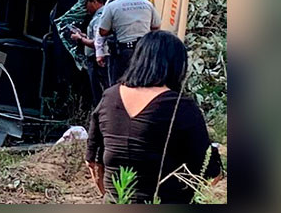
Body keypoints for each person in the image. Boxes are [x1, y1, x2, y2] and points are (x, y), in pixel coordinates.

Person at [86, 31, 222, 203]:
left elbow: (93, 163)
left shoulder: (108, 97)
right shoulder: (181, 106)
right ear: (177, 66)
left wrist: (112, 197)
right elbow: (209, 174)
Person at [99, 0, 161, 85]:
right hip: (144, 50)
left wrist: (116, 28)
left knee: (121, 84)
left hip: (124, 52)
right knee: (143, 82)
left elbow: (102, 31)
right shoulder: (147, 4)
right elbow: (156, 26)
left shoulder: (112, 6)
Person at [70, 0, 109, 107]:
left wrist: (80, 39)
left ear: (95, 2)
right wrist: (84, 35)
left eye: (87, 4)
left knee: (99, 96)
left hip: (97, 62)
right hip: (98, 60)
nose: (86, 7)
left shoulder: (99, 18)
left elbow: (96, 43)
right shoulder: (103, 14)